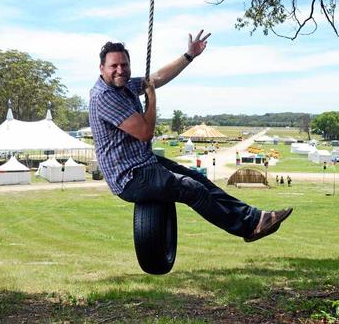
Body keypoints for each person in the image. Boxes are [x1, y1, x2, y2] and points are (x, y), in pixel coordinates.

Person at [89, 30, 292, 242]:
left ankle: (256, 218)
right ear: (102, 68)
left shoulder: (125, 85)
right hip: (129, 177)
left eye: (124, 65)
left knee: (198, 178)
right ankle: (247, 228)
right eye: (114, 66)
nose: (120, 70)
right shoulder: (104, 97)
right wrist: (152, 97)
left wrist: (189, 56)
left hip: (143, 163)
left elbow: (157, 77)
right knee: (192, 189)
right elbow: (145, 133)